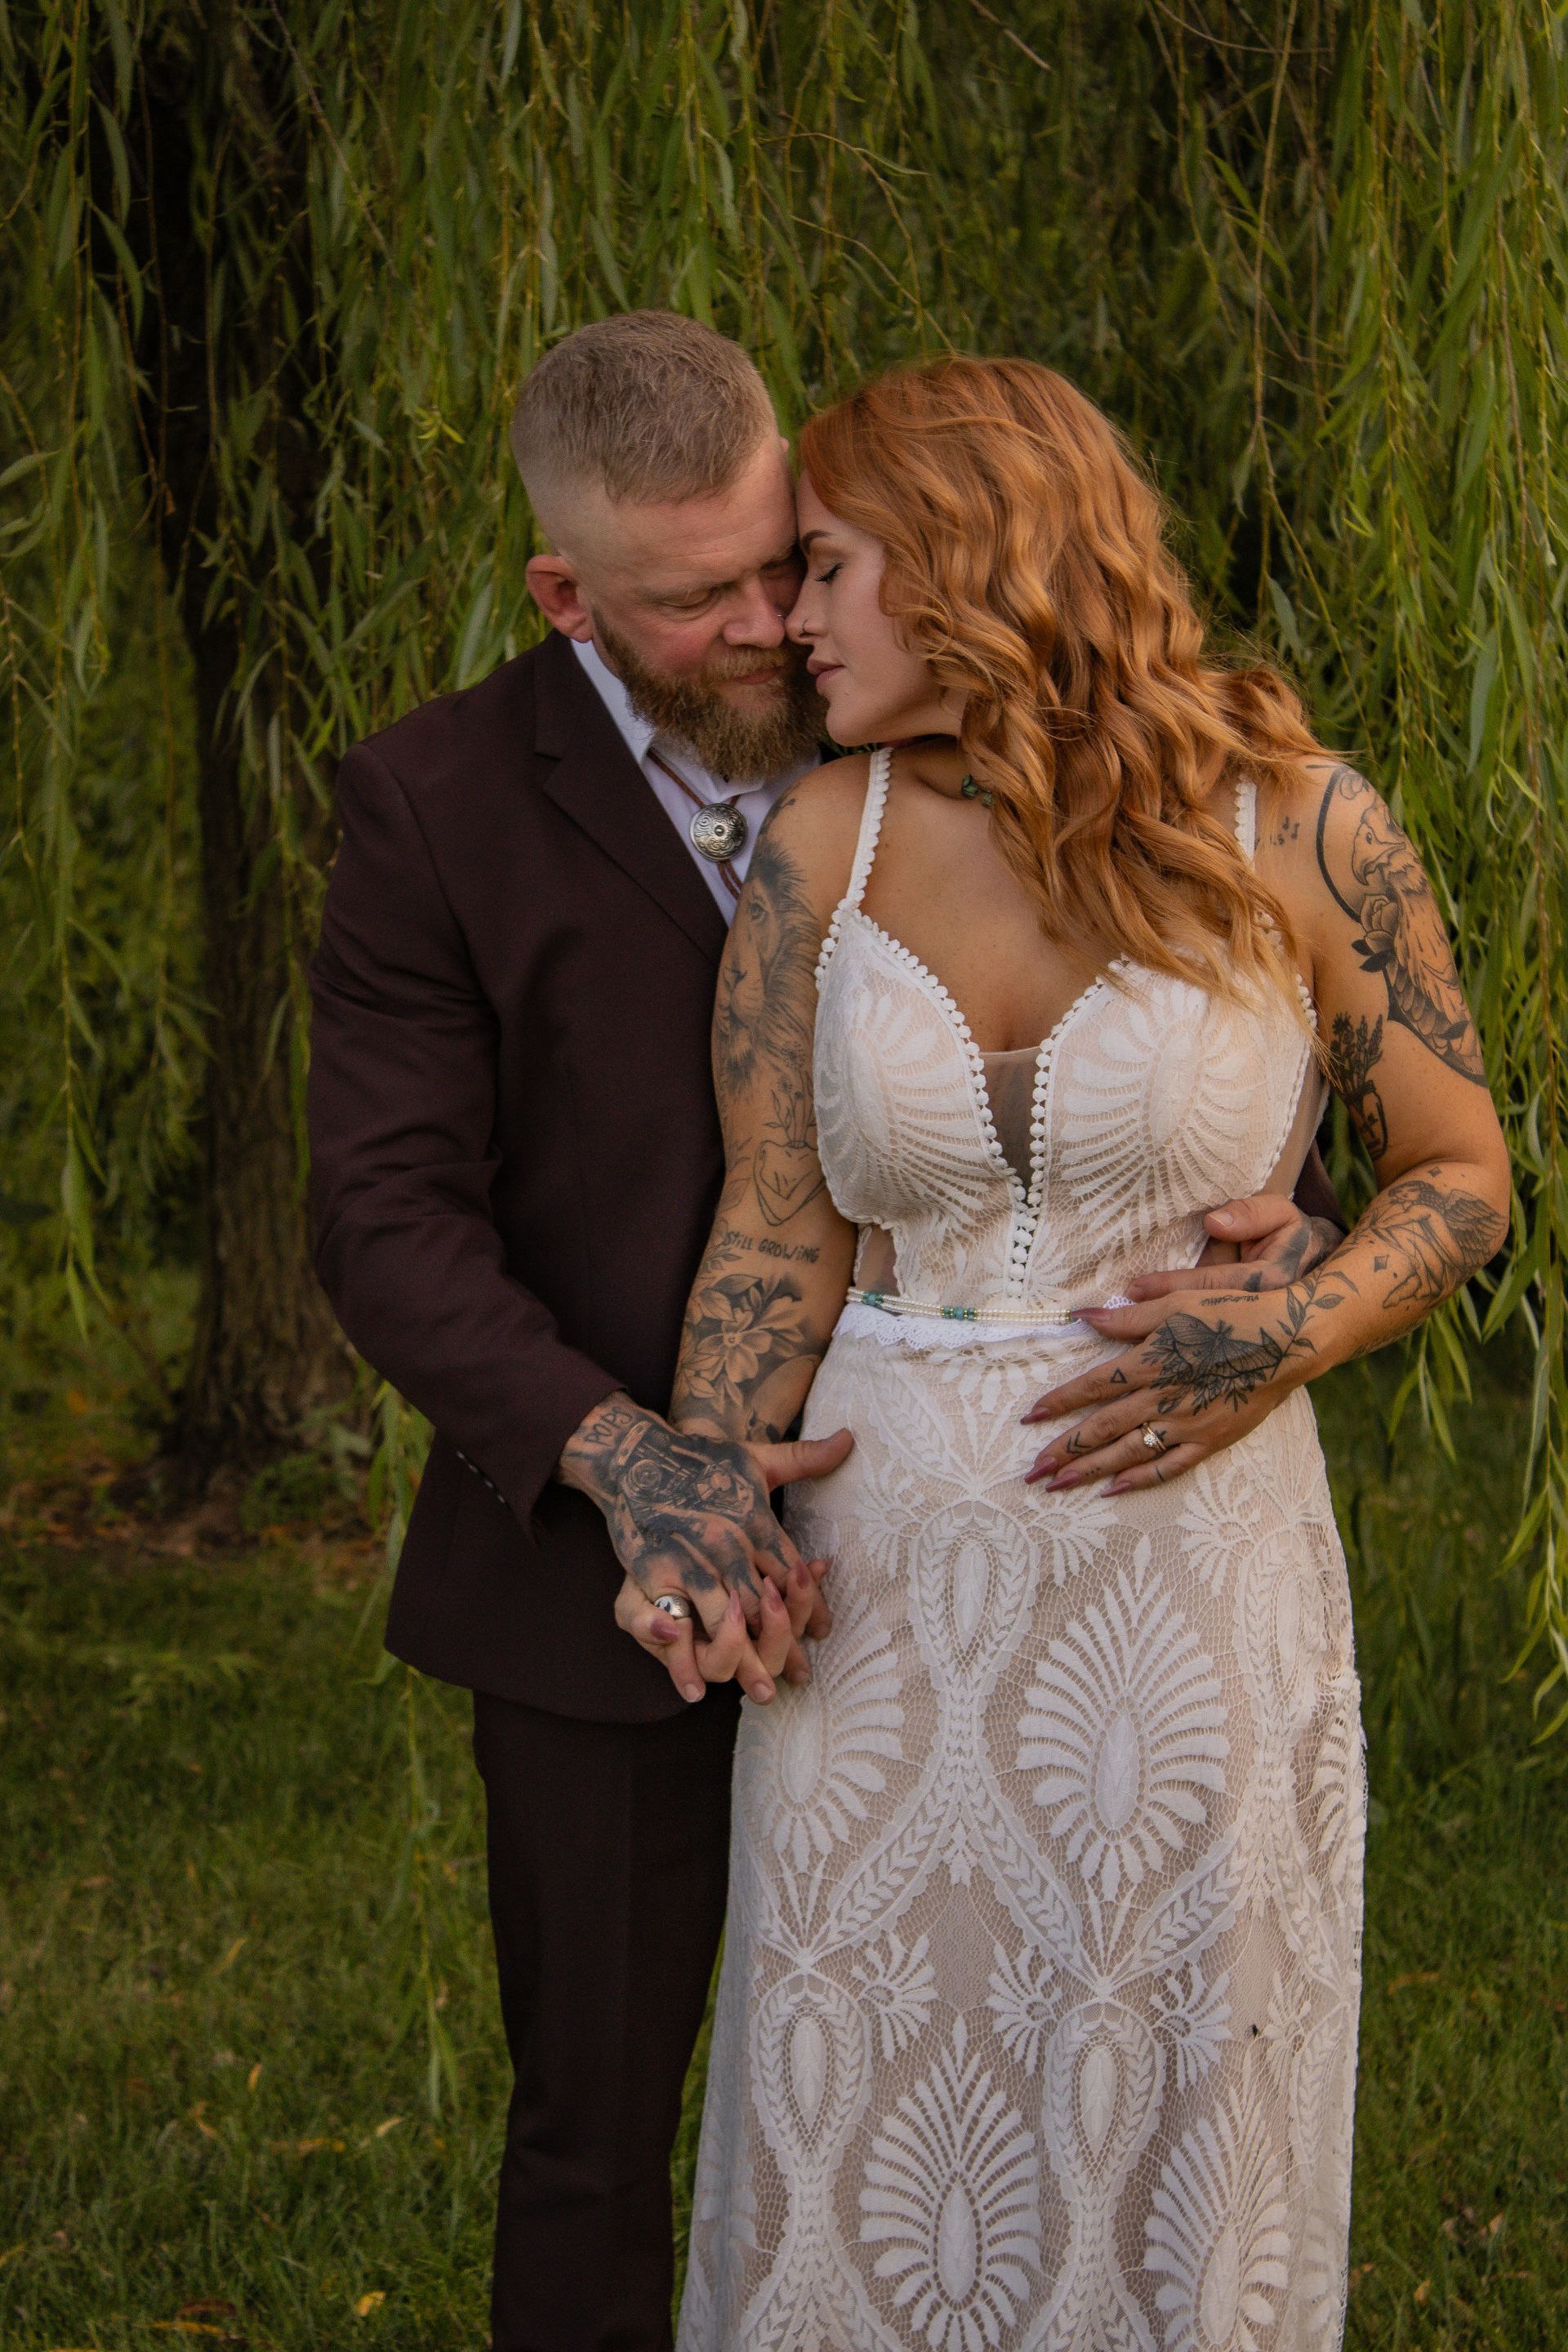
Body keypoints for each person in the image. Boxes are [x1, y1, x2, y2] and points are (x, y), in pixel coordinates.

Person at [306, 314, 1344, 2352]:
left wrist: (1258, 1190)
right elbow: (385, 1222)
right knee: (598, 2131)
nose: (773, 623)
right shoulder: (436, 807)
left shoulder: (937, 735)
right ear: (568, 596)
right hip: (607, 1557)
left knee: (994, 2076)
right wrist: (640, 1466)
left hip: (943, 1560)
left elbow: (1161, 1025)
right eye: (702, 602)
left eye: (794, 562)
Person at [609, 359, 1511, 2349]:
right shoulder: (815, 848)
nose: (789, 621)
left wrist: (1291, 1324)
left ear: (964, 564)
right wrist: (691, 1505)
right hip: (884, 1604)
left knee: (1178, 2097)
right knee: (865, 2100)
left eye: (826, 567)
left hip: (1187, 1588)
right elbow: (776, 1225)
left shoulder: (1301, 821)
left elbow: (1459, 1175)